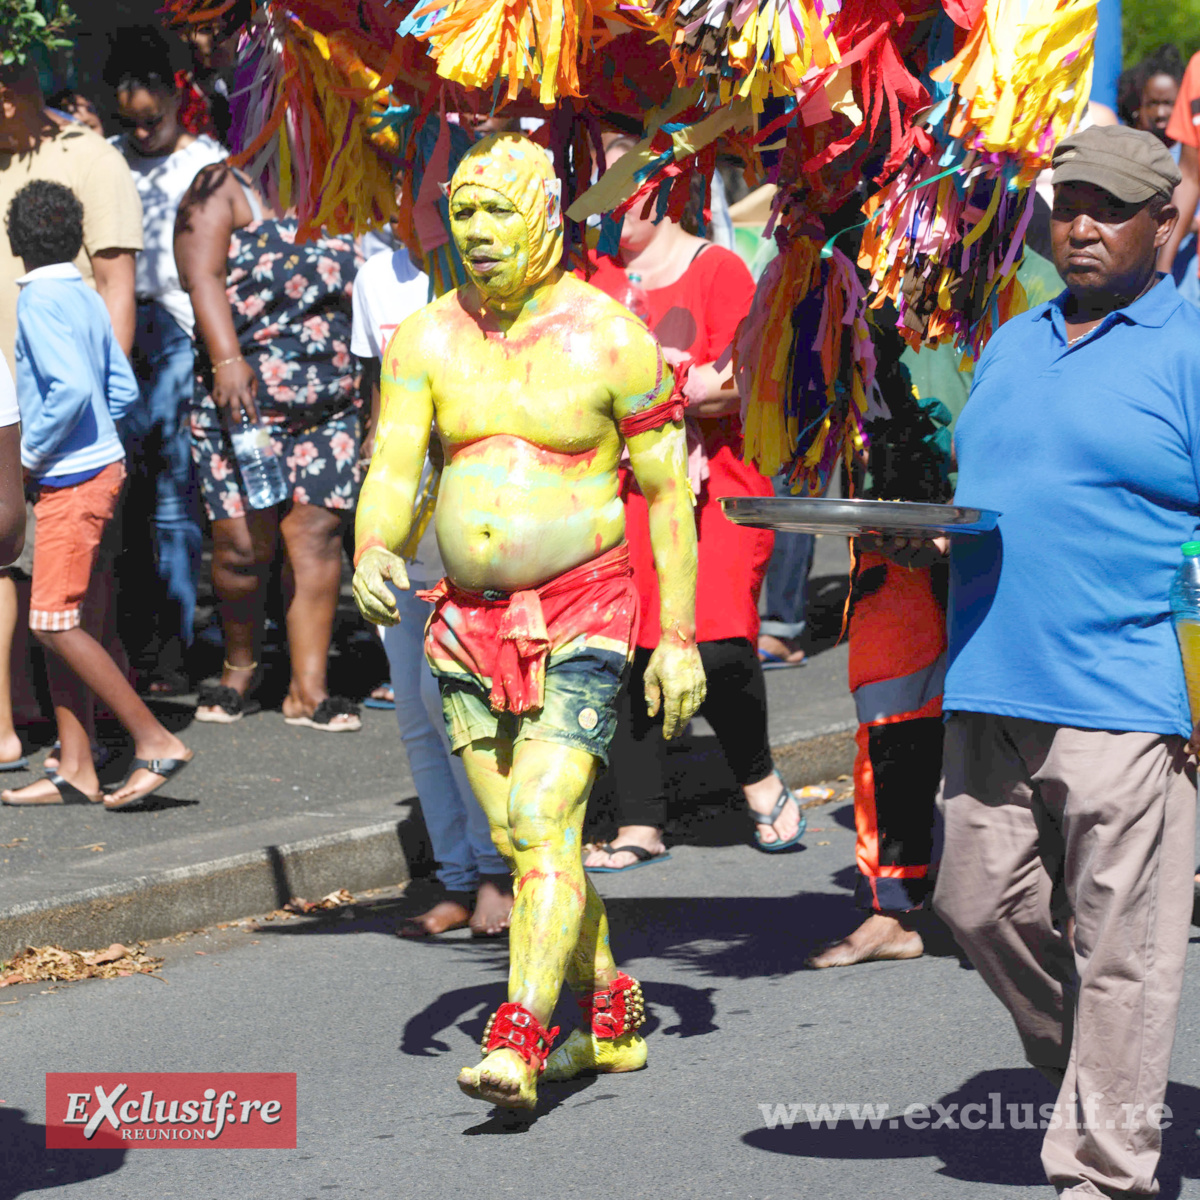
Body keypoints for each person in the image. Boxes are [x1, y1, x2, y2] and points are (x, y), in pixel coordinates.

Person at [352, 132, 705, 1109]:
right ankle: (612, 1014)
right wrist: (373, 548)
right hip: (465, 622)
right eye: (462, 212)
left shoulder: (613, 339)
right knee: (521, 840)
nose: (476, 231)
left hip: (586, 607)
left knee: (543, 816)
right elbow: (394, 468)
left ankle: (520, 1035)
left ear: (547, 218)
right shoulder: (425, 339)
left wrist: (677, 639)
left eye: (497, 211)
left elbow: (668, 497)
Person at [930, 125, 1194, 1199]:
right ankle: (1096, 1058)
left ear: (1165, 224)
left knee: (1124, 949)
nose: (1081, 227)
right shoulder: (1011, 342)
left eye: (1111, 209)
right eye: (1069, 205)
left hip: (1129, 690)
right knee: (973, 904)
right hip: (991, 675)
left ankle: (1102, 1170)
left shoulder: (1187, 346)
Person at [582, 137, 800, 872]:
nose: (607, 202)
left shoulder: (719, 268)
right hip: (627, 487)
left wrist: (689, 387)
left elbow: (746, 377)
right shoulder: (590, 276)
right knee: (631, 646)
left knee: (718, 640)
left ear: (660, 187)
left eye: (620, 184)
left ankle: (759, 778)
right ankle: (640, 821)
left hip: (719, 483)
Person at [0, 181, 193, 809]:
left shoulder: (37, 301)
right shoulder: (83, 294)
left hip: (69, 480)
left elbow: (71, 391)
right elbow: (119, 389)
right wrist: (98, 441)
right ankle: (77, 768)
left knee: (52, 621)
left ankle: (155, 739)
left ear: (15, 241)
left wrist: (30, 458)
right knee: (65, 622)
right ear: (78, 239)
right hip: (100, 469)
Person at [350, 237, 512, 937]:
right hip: (400, 527)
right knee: (416, 718)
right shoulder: (377, 279)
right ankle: (455, 879)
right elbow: (378, 401)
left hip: (465, 528)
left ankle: (497, 872)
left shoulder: (496, 279)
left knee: (446, 704)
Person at [175, 163, 365, 731]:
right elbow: (200, 275)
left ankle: (309, 690)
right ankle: (241, 667)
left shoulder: (344, 177)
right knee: (240, 546)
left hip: (330, 400)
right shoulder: (221, 187)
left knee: (316, 538)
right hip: (243, 400)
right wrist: (227, 360)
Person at [0, 58, 143, 771]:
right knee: (38, 590)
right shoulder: (69, 298)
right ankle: (67, 752)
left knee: (65, 604)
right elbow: (117, 387)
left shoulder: (88, 159)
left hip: (51, 440)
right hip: (47, 432)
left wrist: (51, 447)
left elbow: (115, 291)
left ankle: (132, 738)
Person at [108, 26, 228, 694]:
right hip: (115, 334)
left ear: (175, 99)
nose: (141, 133)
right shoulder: (107, 159)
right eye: (130, 122)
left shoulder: (205, 163)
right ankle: (131, 646)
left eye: (151, 120)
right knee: (118, 495)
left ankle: (176, 647)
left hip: (179, 333)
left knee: (175, 498)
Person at [1117, 45, 1183, 148]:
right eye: (1152, 104)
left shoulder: (1194, 152)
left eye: (1168, 103)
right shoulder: (1118, 148)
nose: (1160, 113)